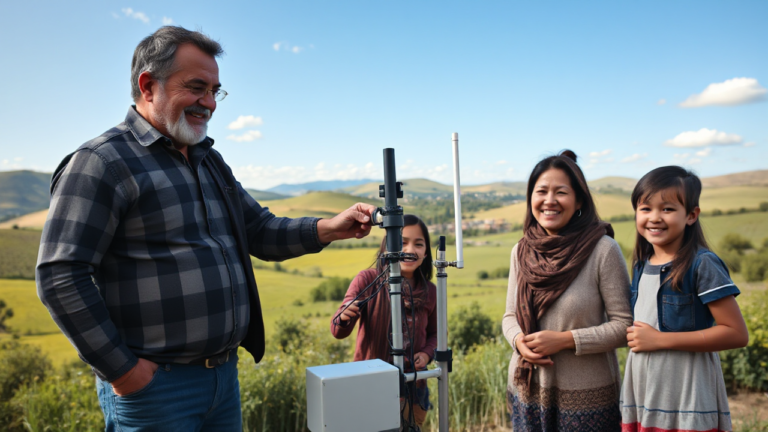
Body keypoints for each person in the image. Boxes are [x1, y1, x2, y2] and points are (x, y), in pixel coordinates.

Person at [36, 26, 375, 431]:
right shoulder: (103, 162)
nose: (210, 103)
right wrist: (125, 372)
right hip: (155, 390)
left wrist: (330, 228)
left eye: (216, 90)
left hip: (222, 380)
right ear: (148, 85)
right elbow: (60, 275)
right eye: (197, 87)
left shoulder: (207, 160)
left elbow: (259, 230)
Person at [502, 150, 633, 432]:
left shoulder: (602, 250)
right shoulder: (521, 251)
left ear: (579, 201)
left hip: (587, 395)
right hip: (528, 389)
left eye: (560, 192)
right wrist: (518, 341)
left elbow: (625, 326)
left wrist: (564, 340)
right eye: (541, 192)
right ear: (531, 199)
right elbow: (509, 315)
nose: (549, 201)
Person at [620, 166, 748, 432]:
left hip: (687, 393)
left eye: (667, 209)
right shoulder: (641, 265)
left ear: (691, 215)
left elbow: (736, 334)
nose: (654, 217)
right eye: (645, 209)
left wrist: (660, 340)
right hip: (645, 391)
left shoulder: (703, 264)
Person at [330, 214, 437, 429]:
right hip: (370, 383)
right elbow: (338, 330)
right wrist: (344, 317)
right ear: (386, 249)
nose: (410, 250)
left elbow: (436, 334)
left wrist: (426, 353)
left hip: (413, 387)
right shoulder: (368, 280)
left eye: (418, 244)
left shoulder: (430, 291)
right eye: (402, 242)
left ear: (426, 253)